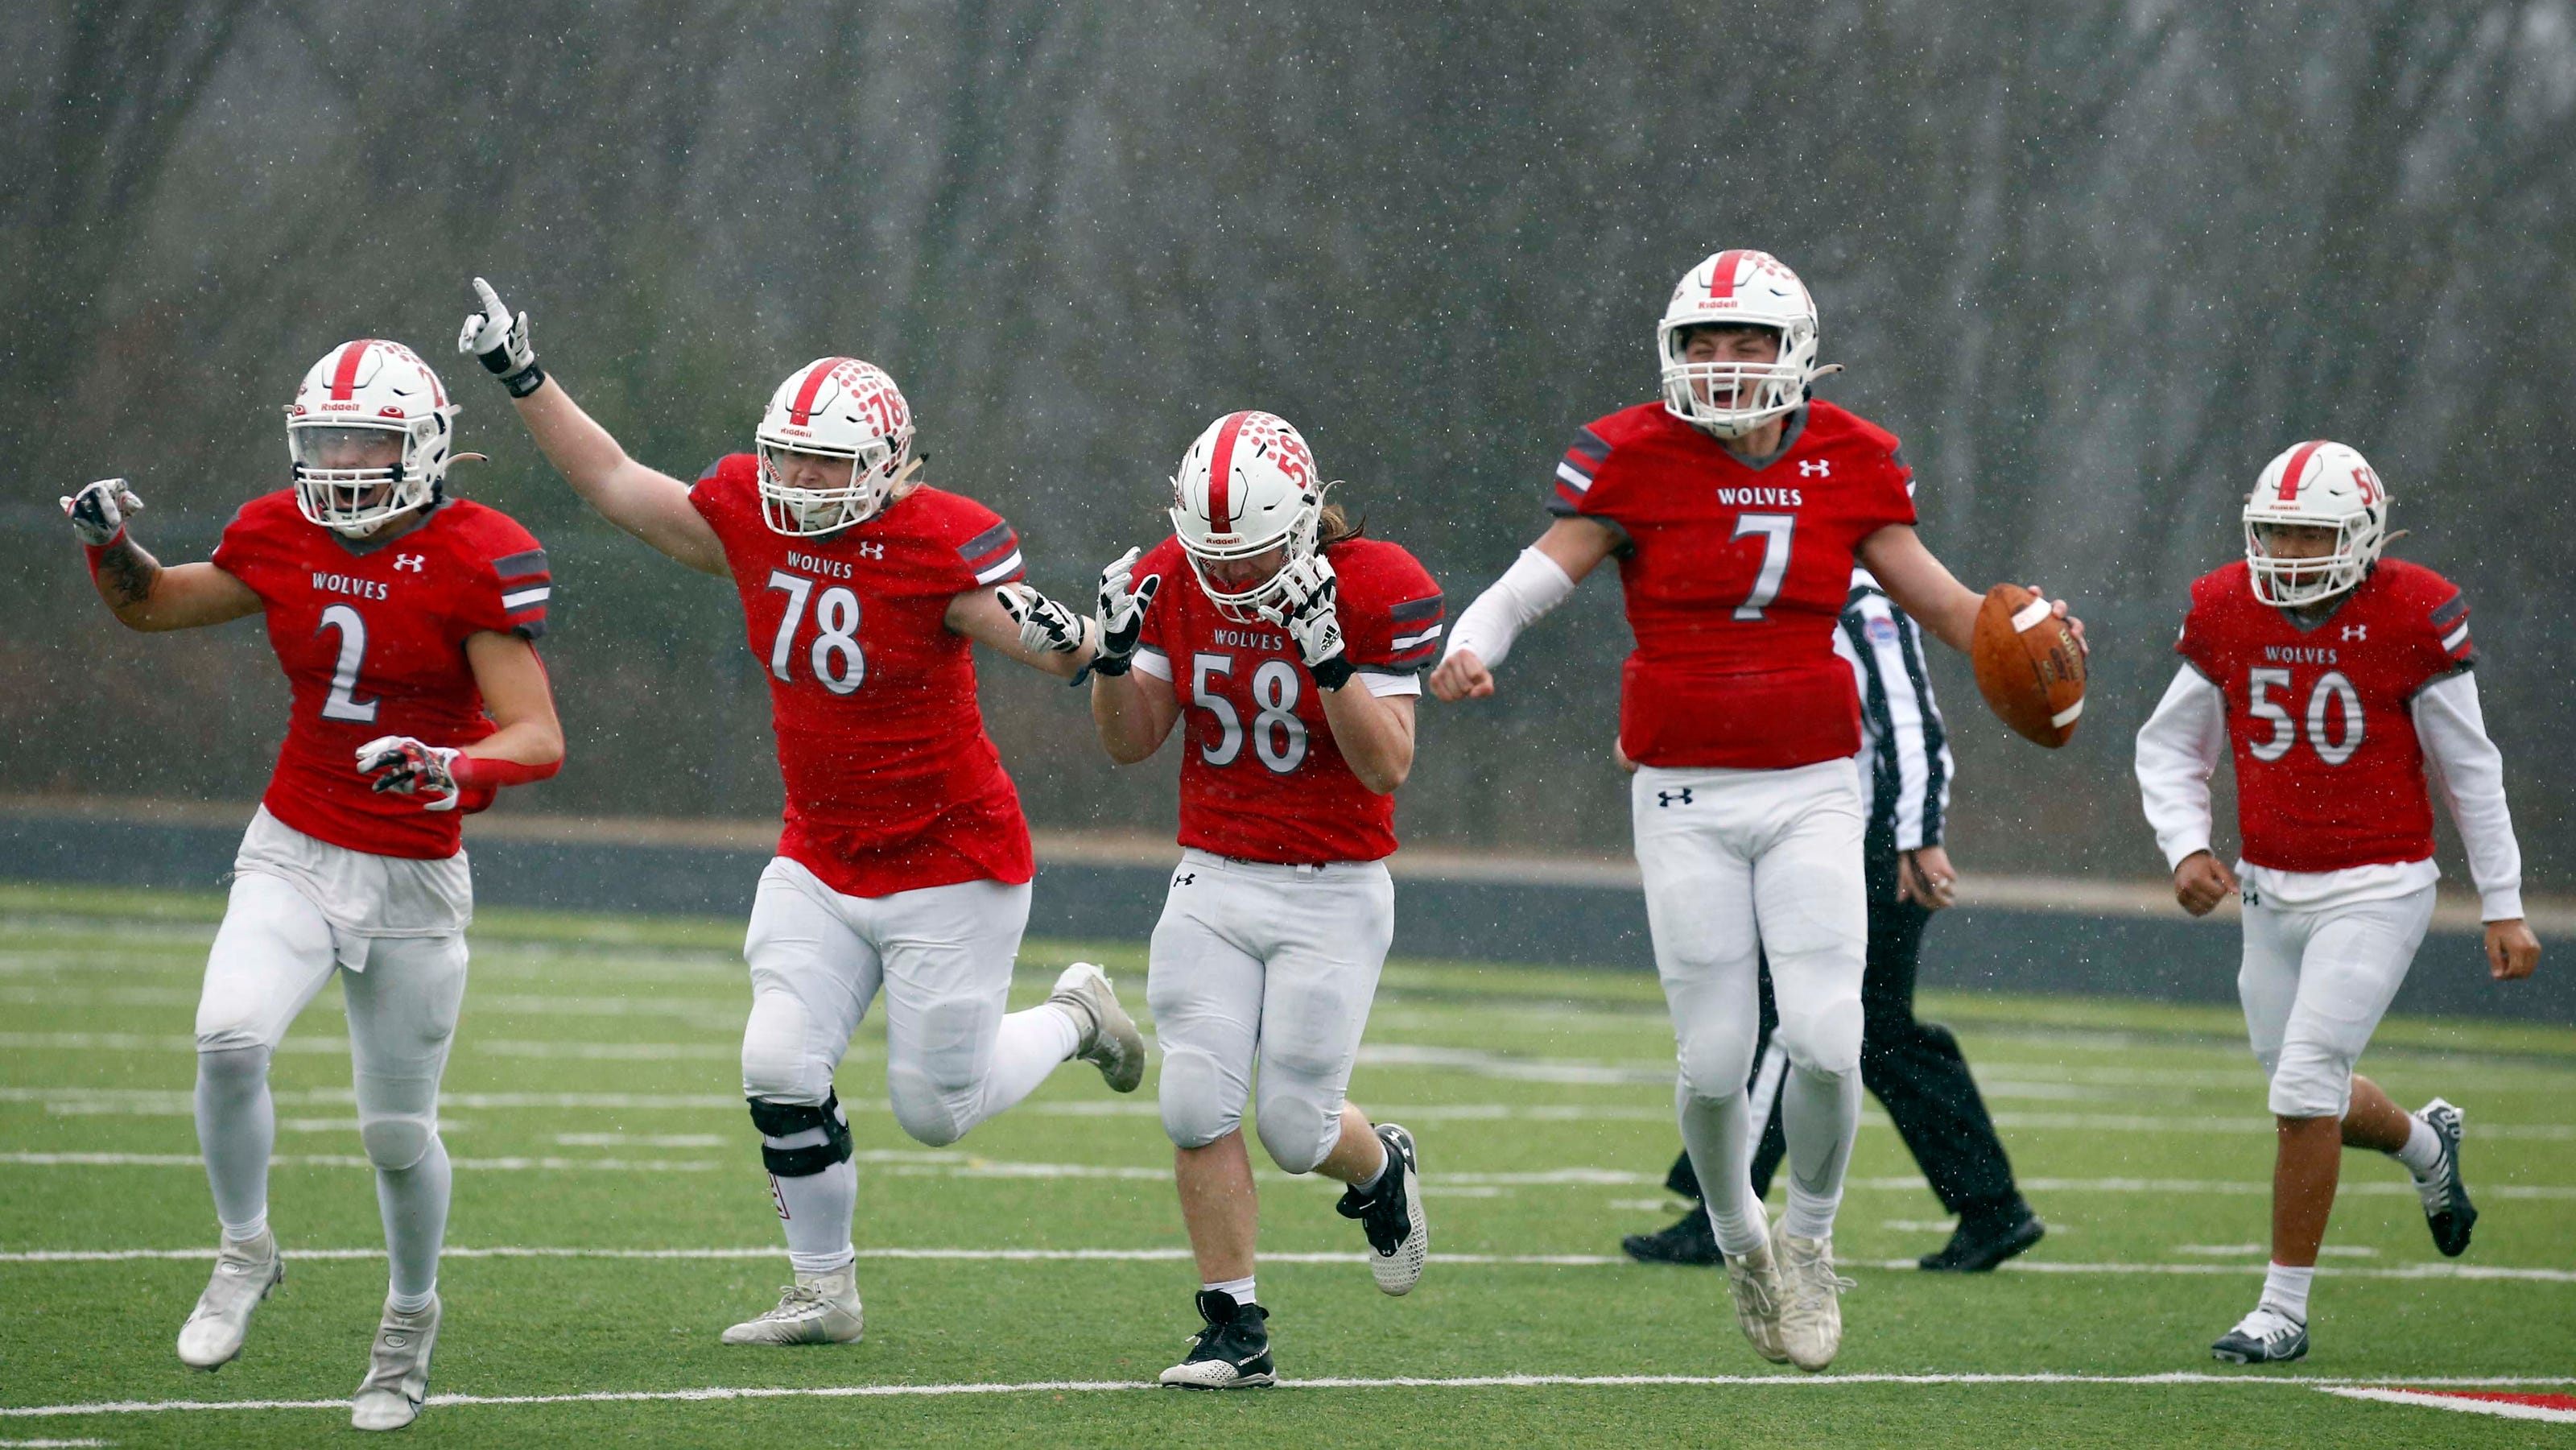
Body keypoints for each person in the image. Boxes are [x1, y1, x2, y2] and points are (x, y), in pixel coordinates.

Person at [456, 279, 1144, 1347]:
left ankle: (1078, 1014)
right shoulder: (749, 514)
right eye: (786, 454)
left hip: (948, 861)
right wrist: (524, 378)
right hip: (821, 856)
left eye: (825, 460)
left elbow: (1033, 634)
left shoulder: (935, 542)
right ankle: (825, 1291)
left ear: (885, 466)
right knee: (777, 1064)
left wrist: (1099, 642)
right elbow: (616, 482)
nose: (797, 477)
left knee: (937, 1112)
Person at [1433, 249, 2081, 1373]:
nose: (1723, 366)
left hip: (1816, 785)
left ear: (1796, 354)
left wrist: (2023, 637)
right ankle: (1741, 1239)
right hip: (1683, 792)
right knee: (1714, 1063)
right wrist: (1472, 642)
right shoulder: (1632, 452)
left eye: (1747, 344)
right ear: (1671, 355)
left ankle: (1812, 1243)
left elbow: (1942, 601)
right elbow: (1544, 570)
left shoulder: (1851, 456)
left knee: (1830, 1040)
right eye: (1703, 343)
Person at [62, 339, 566, 1431]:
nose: (340, 461)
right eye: (325, 439)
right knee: (230, 1037)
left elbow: (536, 738)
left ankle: (408, 1319)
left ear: (423, 447)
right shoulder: (280, 529)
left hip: (415, 876)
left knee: (395, 1132)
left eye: (366, 442)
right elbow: (152, 604)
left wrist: (451, 763)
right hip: (295, 840)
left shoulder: (481, 553)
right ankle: (246, 1249)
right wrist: (109, 546)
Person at [2133, 439, 2538, 1365]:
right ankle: (2426, 1148)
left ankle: (2281, 1309)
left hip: (2378, 882)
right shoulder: (2224, 608)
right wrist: (2185, 844)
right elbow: (2168, 748)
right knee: (2300, 1086)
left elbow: (2467, 769)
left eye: (2309, 534)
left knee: (2301, 1086)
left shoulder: (2409, 611)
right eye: (2272, 530)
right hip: (2270, 886)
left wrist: (2502, 900)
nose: (2286, 551)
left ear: (2360, 534)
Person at [1088, 410, 1443, 1389]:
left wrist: (1328, 661)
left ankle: (1380, 1173)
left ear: (1304, 520)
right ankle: (1232, 1328)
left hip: (1333, 886)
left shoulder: (1377, 584)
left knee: (1295, 1128)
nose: (1229, 578)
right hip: (1213, 869)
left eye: (1247, 557)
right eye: (1213, 556)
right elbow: (1129, 741)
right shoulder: (1177, 572)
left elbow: (1386, 765)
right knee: (1196, 1099)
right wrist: (1113, 659)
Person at [1620, 571, 2042, 1274]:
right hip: (1821, 841)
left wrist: (1917, 834)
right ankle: (1991, 1205)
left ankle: (1722, 1205)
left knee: (1798, 1019)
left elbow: (1911, 726)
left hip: (1861, 846)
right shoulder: (1790, 594)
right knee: (1878, 1031)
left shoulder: (1860, 602)